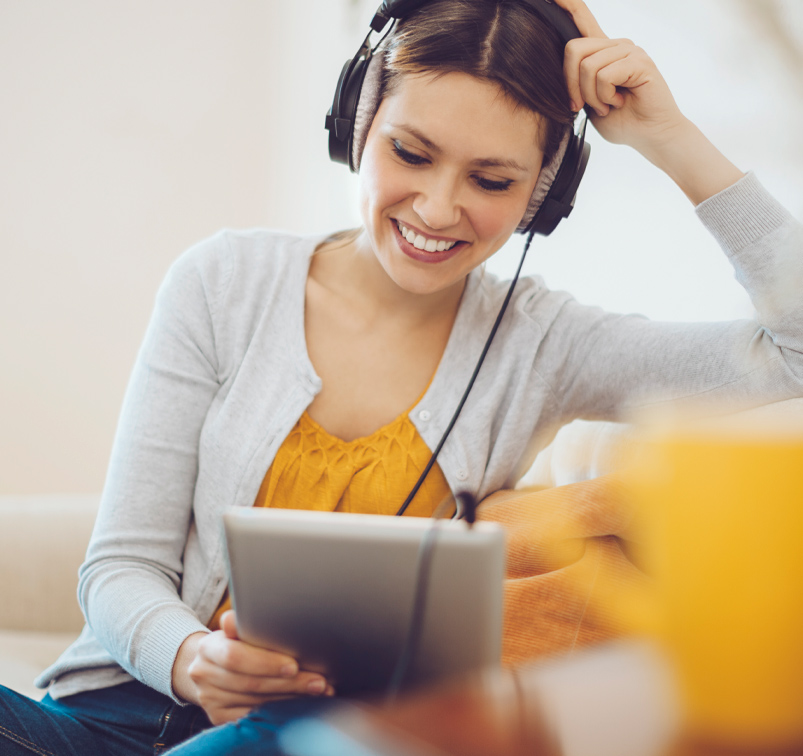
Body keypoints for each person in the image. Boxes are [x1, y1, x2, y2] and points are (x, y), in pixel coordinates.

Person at [2, 0, 801, 753]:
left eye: (492, 181)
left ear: (544, 194)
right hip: (112, 711)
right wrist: (188, 659)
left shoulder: (545, 343)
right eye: (410, 153)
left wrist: (669, 137)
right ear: (359, 121)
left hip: (298, 733)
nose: (438, 208)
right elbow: (120, 566)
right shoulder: (221, 280)